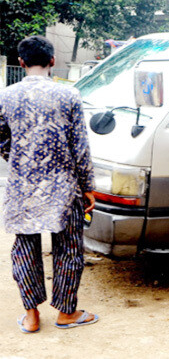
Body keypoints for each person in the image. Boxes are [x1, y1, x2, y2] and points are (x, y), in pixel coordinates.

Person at [0, 36, 97, 333]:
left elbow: (3, 141)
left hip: (22, 186)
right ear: (52, 61)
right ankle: (66, 313)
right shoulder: (69, 95)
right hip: (63, 185)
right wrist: (87, 185)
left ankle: (31, 316)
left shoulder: (6, 97)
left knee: (25, 248)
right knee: (69, 248)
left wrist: (19, 159)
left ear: (21, 62)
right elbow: (79, 145)